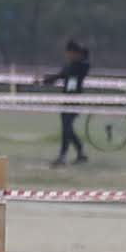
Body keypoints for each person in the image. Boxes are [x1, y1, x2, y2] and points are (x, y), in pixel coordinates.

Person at [44, 34, 95, 168]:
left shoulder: (81, 65)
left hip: (74, 101)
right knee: (67, 129)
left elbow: (79, 67)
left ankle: (63, 156)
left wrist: (80, 54)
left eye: (70, 53)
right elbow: (59, 76)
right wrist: (44, 80)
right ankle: (80, 153)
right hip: (66, 100)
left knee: (67, 128)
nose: (68, 55)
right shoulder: (71, 65)